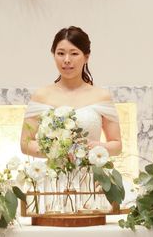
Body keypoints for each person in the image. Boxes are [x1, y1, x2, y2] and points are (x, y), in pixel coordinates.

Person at [20, 26, 122, 158]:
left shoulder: (101, 96)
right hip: (54, 170)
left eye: (74, 53)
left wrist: (94, 148)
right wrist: (57, 151)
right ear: (54, 55)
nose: (67, 60)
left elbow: (117, 145)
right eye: (61, 53)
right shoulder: (41, 96)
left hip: (90, 170)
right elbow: (25, 143)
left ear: (86, 57)